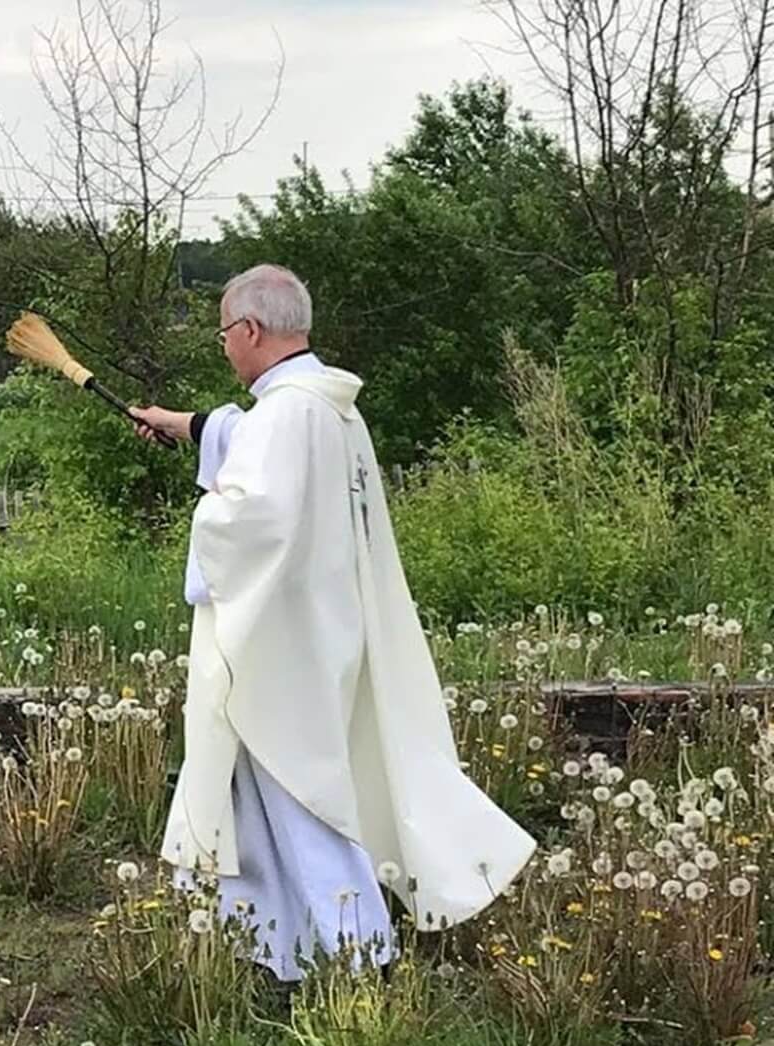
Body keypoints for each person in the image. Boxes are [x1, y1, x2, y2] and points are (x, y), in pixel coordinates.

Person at [130, 264, 534, 981]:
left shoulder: (289, 415)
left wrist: (210, 505)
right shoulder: (330, 408)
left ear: (250, 330)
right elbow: (257, 450)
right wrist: (192, 427)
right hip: (319, 629)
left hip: (281, 646)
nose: (224, 347)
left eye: (225, 333)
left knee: (301, 795)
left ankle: (358, 958)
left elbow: (250, 518)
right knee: (266, 797)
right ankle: (280, 951)